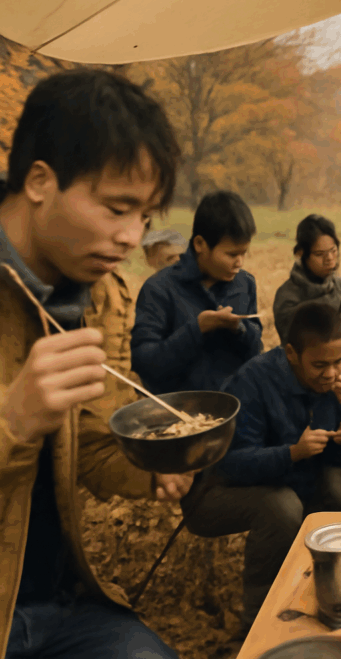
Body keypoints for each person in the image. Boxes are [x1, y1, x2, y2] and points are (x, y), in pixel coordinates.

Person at [0, 68, 192, 659]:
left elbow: (90, 444)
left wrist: (156, 464)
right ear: (40, 181)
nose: (133, 237)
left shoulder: (97, 295)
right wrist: (12, 421)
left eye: (146, 216)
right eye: (116, 209)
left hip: (56, 603)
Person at [180, 302, 341, 629]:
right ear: (292, 353)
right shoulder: (252, 381)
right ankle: (258, 620)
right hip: (218, 491)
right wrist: (292, 453)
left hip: (298, 478)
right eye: (319, 365)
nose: (330, 373)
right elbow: (229, 465)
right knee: (282, 507)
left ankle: (335, 595)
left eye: (337, 362)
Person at [131, 190, 262, 394]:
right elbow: (146, 364)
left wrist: (240, 329)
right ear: (200, 244)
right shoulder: (159, 289)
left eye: (244, 253)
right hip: (179, 409)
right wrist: (196, 329)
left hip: (235, 405)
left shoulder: (245, 284)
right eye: (231, 254)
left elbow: (255, 350)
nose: (239, 263)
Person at [273, 214, 341, 427]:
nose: (329, 259)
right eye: (320, 254)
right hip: (311, 362)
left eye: (333, 251)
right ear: (301, 254)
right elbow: (290, 341)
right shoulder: (288, 295)